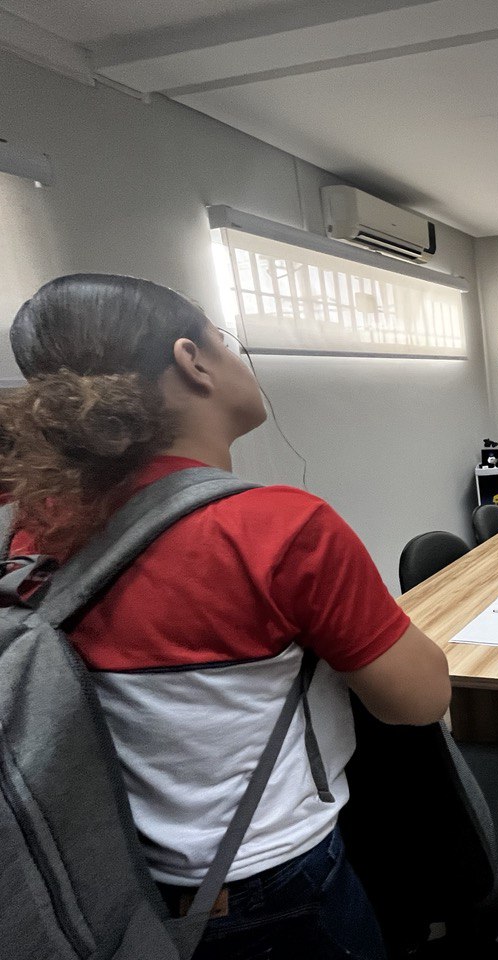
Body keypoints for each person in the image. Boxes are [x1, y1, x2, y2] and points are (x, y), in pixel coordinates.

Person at [2, 274, 452, 960]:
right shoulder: (277, 528)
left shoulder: (29, 533)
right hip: (274, 886)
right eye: (226, 338)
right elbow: (419, 700)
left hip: (115, 892)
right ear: (192, 360)